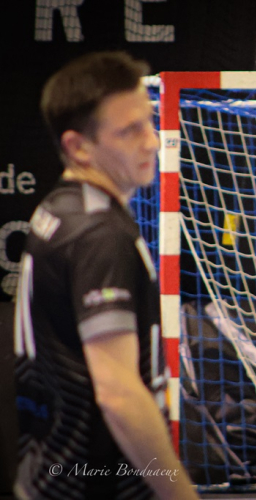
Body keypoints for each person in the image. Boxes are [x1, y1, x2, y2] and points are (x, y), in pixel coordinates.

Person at [13, 52, 199, 500]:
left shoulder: (60, 208)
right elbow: (118, 393)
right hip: (95, 486)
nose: (152, 141)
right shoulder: (98, 233)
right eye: (129, 130)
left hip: (49, 477)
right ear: (79, 147)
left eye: (148, 122)